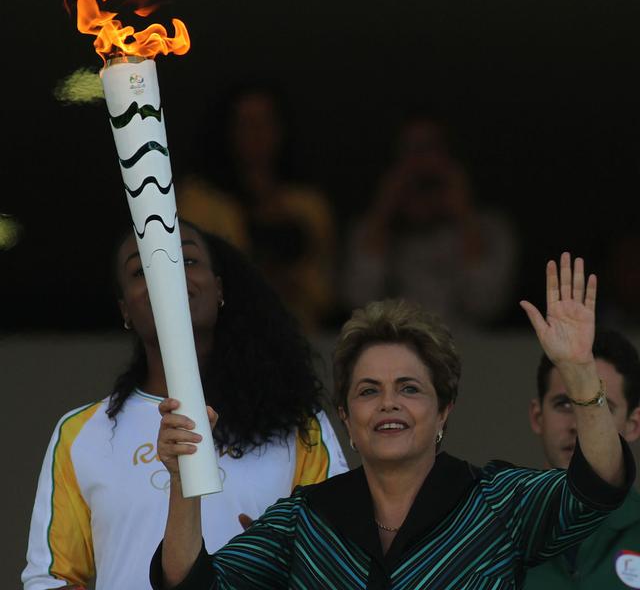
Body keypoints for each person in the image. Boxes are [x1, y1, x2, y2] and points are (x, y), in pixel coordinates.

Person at [151, 252, 635, 589]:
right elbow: (189, 583)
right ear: (346, 416)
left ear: (443, 410)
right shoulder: (303, 521)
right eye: (368, 391)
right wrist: (182, 478)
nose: (389, 403)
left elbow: (597, 484)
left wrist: (578, 374)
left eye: (410, 388)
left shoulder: (497, 502)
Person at [22, 222, 347, 590]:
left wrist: (284, 563)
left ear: (219, 289)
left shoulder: (298, 425)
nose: (166, 271)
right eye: (141, 269)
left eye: (187, 259)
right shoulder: (82, 433)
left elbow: (337, 561)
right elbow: (50, 579)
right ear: (124, 309)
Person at [178, 84, 336, 330]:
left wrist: (295, 284)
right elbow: (187, 275)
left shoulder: (309, 203)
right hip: (225, 336)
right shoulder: (200, 200)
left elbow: (327, 286)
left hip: (299, 336)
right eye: (246, 123)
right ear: (227, 131)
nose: (257, 133)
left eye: (266, 122)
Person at [343, 114, 516, 330]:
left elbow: (486, 305)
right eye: (411, 150)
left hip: (469, 351)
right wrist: (383, 211)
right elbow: (358, 301)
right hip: (394, 351)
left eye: (430, 149)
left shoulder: (490, 229)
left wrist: (465, 217)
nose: (420, 164)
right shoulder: (368, 231)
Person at [524, 328, 640, 589]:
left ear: (633, 425)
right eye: (564, 404)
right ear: (537, 416)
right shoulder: (490, 526)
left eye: (600, 407)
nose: (580, 424)